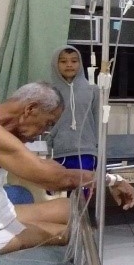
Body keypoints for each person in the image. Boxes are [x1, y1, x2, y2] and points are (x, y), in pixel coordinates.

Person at [0, 82, 134, 265]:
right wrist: (112, 180)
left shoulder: (0, 127)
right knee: (71, 233)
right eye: (47, 124)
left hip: (0, 208)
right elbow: (57, 179)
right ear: (30, 109)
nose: (43, 133)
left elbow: (48, 168)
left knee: (68, 207)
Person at [47, 45, 99, 195]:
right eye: (63, 61)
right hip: (57, 152)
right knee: (55, 197)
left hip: (86, 151)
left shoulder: (92, 89)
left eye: (74, 61)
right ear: (56, 64)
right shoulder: (49, 91)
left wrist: (99, 149)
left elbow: (97, 120)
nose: (69, 65)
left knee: (81, 197)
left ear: (80, 63)